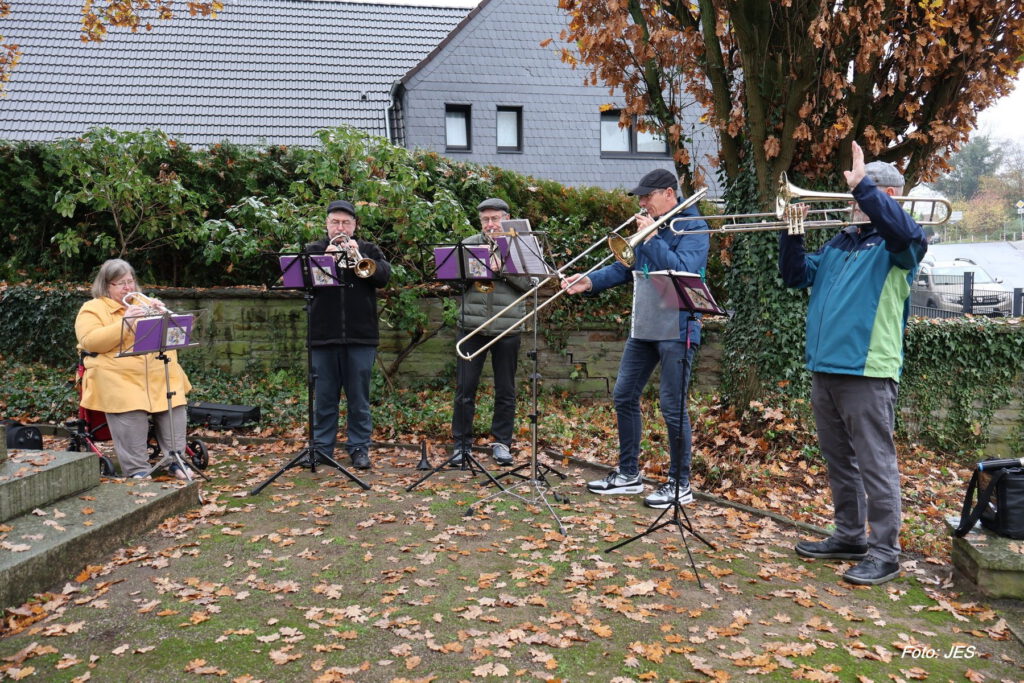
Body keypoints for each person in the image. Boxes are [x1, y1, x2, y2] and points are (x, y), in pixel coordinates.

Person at [779, 142, 928, 586]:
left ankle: (885, 552)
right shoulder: (842, 242)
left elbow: (902, 232)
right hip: (825, 368)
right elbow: (795, 277)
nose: (852, 202)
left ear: (888, 197)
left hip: (868, 371)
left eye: (862, 194)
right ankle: (849, 536)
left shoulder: (901, 245)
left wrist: (864, 186)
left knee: (875, 463)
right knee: (839, 460)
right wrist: (791, 231)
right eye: (854, 193)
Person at [562, 169, 710, 508]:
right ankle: (628, 474)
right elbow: (626, 266)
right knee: (624, 394)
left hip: (678, 324)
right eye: (640, 197)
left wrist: (653, 236)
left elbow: (684, 268)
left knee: (672, 406)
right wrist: (590, 281)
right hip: (646, 322)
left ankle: (679, 484)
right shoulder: (652, 225)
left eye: (647, 196)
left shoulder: (693, 226)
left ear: (670, 194)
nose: (641, 203)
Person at [75, 259, 192, 479]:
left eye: (130, 281)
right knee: (129, 410)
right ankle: (137, 470)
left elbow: (172, 338)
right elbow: (90, 342)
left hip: (159, 373)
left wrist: (162, 316)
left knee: (174, 407)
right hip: (119, 376)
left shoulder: (143, 303)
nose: (128, 288)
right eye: (120, 284)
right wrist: (125, 322)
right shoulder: (92, 309)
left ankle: (176, 461)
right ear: (106, 286)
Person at [305, 199, 391, 470]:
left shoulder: (367, 250)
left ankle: (359, 448)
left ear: (354, 226)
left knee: (359, 399)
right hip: (323, 335)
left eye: (345, 223)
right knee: (325, 398)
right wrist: (325, 262)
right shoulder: (314, 250)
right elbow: (301, 285)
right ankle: (321, 449)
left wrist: (359, 258)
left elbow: (383, 278)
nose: (340, 227)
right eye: (335, 222)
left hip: (361, 335)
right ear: (326, 225)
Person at [450, 198, 531, 467]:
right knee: (465, 389)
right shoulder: (470, 244)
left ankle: (501, 443)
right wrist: (469, 274)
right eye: (485, 220)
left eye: (495, 219)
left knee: (505, 389)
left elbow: (530, 284)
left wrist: (503, 268)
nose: (490, 225)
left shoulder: (520, 244)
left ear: (506, 218)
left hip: (506, 327)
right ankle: (461, 445)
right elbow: (454, 285)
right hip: (471, 326)